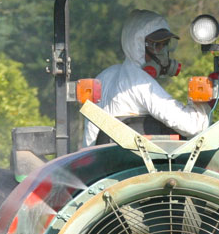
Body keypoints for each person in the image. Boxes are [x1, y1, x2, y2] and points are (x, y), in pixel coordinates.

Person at [83, 9, 209, 147]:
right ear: (137, 46)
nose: (163, 53)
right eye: (156, 46)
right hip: (134, 163)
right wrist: (202, 103)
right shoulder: (139, 82)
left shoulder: (106, 75)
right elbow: (192, 125)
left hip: (102, 162)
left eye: (165, 44)